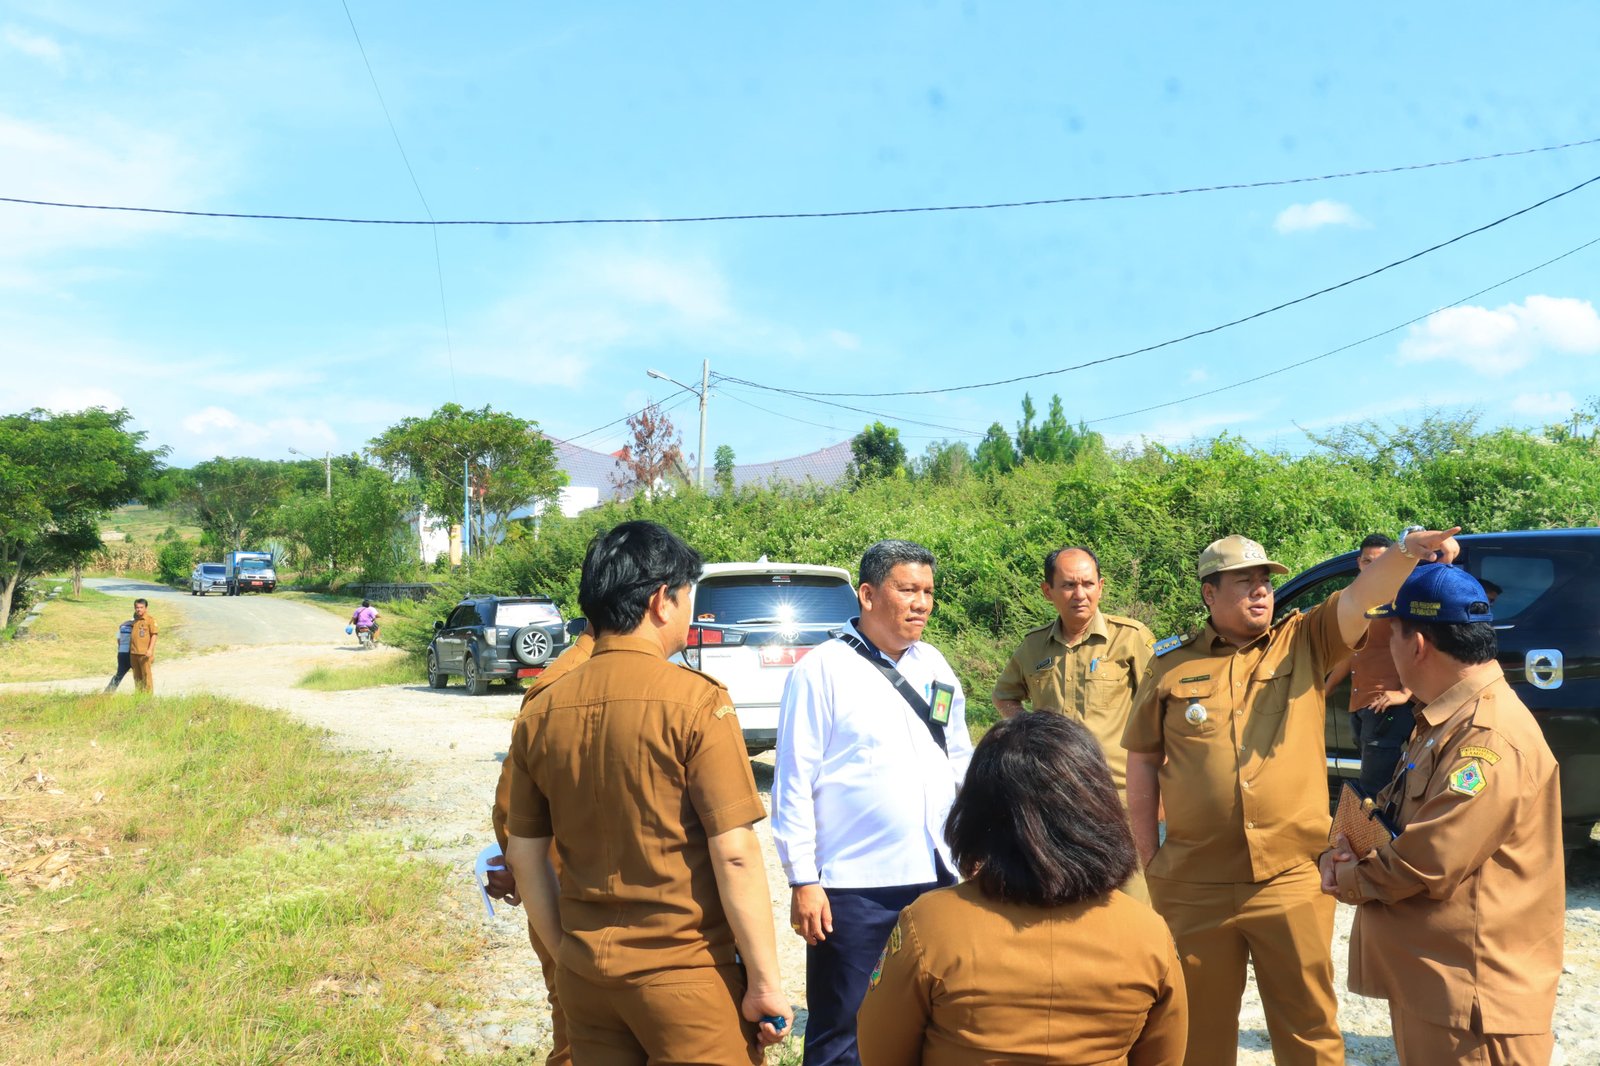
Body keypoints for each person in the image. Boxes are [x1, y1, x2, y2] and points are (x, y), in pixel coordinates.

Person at [1122, 527, 1458, 1066]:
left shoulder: (1305, 640)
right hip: (1193, 882)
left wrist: (1405, 553)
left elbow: (1360, 596)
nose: (1261, 590)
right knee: (1195, 1033)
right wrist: (1148, 857)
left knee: (1308, 1029)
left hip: (1291, 876)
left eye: (1265, 580)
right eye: (1244, 581)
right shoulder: (1169, 665)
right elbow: (1142, 758)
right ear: (1209, 593)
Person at [503, 522, 791, 1065]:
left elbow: (524, 854)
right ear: (662, 600)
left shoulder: (542, 708)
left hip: (586, 978)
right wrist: (765, 983)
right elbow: (734, 854)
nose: (690, 611)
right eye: (687, 597)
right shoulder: (696, 701)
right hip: (684, 974)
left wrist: (567, 954)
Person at [1320, 565, 1562, 1065]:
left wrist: (1348, 877)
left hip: (1472, 1005)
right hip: (1437, 988)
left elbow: (1430, 858)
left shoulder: (1488, 736)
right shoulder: (1445, 719)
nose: (1387, 649)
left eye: (1391, 635)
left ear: (1417, 645)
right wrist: (1346, 844)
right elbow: (1397, 819)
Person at [857, 712, 1187, 1066]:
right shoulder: (1147, 933)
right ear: (1097, 808)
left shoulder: (929, 925)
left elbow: (880, 1053)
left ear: (977, 812)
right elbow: (1164, 1056)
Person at [772, 539, 974, 1066]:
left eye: (928, 591)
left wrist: (976, 845)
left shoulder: (934, 665)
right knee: (845, 1028)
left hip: (937, 875)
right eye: (908, 590)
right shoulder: (822, 670)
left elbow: (959, 759)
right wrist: (803, 878)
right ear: (867, 594)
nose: (922, 603)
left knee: (933, 1020)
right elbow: (793, 780)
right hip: (855, 886)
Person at [992, 544, 1155, 900]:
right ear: (1047, 591)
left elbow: (1162, 708)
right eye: (1068, 585)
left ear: (1101, 587)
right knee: (1068, 890)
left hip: (1120, 793)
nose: (1079, 594)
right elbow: (1004, 696)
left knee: (1134, 894)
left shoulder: (1129, 638)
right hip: (1055, 793)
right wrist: (1032, 734)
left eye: (1088, 584)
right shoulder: (1033, 647)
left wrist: (1163, 787)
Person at [484, 621, 597, 1066]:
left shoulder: (567, 676)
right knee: (578, 1026)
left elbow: (509, 811)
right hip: (571, 894)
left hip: (568, 891)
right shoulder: (566, 684)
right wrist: (526, 872)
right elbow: (515, 809)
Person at [1323, 535, 1416, 795]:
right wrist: (1325, 690)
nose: (1373, 567)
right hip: (1359, 705)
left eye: (1380, 561)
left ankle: (1378, 824)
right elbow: (1350, 652)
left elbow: (1419, 645)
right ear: (1359, 563)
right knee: (1378, 782)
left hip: (1385, 707)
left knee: (1373, 788)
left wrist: (1405, 692)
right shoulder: (1353, 600)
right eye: (1367, 561)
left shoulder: (1399, 599)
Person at [128, 597, 158, 693]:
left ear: (146, 608)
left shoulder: (149, 620)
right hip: (133, 653)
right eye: (137, 607)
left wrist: (150, 650)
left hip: (144, 653)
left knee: (146, 675)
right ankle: (139, 694)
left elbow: (154, 635)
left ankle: (148, 696)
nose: (139, 609)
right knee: (136, 676)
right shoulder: (134, 620)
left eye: (141, 607)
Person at [105, 615, 135, 692]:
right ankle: (141, 693)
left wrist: (121, 647)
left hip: (122, 652)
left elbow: (118, 638)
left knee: (119, 675)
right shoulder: (137, 625)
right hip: (133, 653)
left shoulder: (123, 625)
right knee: (139, 675)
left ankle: (108, 693)